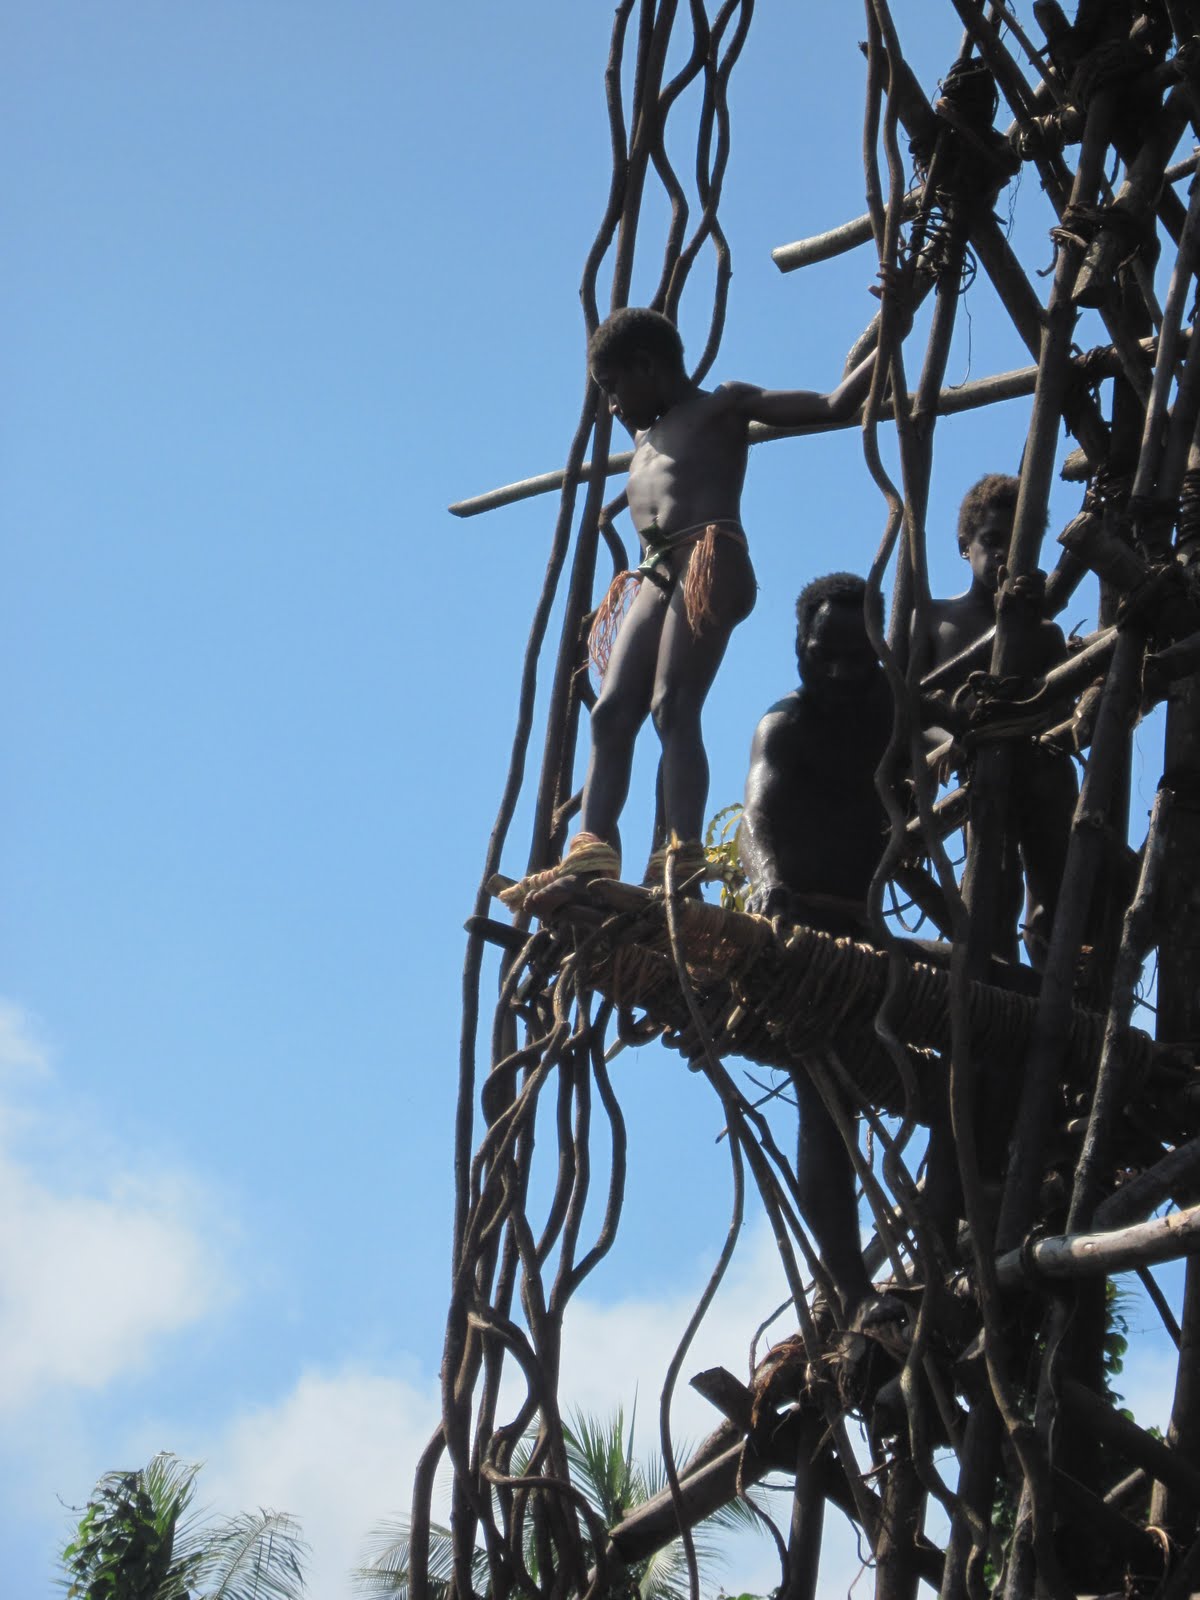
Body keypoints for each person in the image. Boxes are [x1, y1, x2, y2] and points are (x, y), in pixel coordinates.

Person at [499, 307, 881, 912]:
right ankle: (591, 852)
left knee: (673, 705)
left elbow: (835, 404)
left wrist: (895, 324)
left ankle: (681, 854)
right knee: (611, 712)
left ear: (646, 367)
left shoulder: (722, 407)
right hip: (657, 569)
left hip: (711, 557)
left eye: (613, 388)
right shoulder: (644, 440)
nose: (612, 405)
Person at [740, 572, 900, 1329]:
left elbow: (943, 728)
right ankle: (850, 1289)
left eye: (853, 657)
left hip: (874, 935)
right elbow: (757, 817)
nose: (836, 671)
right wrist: (769, 886)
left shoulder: (889, 714)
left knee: (905, 1082)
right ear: (799, 648)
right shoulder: (786, 726)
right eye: (821, 655)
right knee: (824, 1099)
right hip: (803, 933)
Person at [921, 473, 1078, 968]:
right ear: (964, 545)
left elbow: (1060, 714)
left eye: (1016, 543)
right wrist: (953, 739)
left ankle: (1056, 982)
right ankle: (998, 986)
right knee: (992, 891)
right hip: (973, 779)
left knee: (1052, 897)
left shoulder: (1046, 635)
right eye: (990, 540)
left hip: (1042, 778)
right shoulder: (933, 620)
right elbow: (907, 707)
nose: (1002, 555)